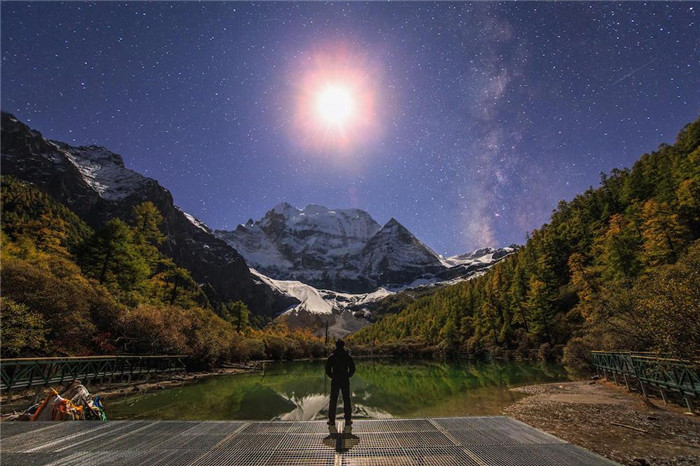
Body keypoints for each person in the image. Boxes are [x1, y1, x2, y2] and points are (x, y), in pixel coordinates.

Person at [325, 339, 356, 427]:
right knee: (347, 400)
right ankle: (348, 420)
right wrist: (348, 375)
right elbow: (352, 369)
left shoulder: (332, 357)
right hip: (345, 380)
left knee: (333, 400)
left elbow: (327, 370)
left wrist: (332, 376)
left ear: (336, 346)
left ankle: (331, 421)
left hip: (335, 380)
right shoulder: (348, 356)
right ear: (343, 345)